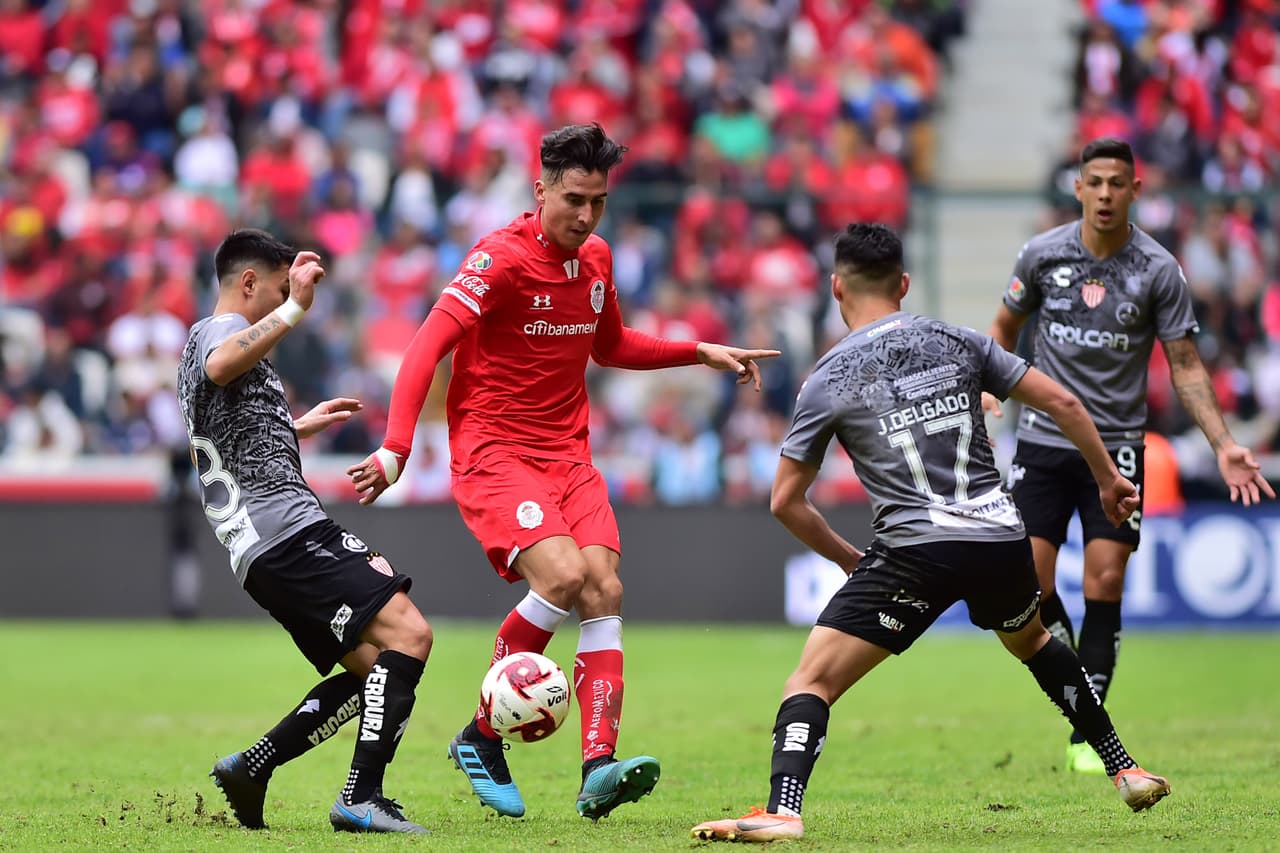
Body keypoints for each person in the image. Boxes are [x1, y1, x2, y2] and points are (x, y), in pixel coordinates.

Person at [346, 123, 780, 821]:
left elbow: (610, 346)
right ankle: (483, 737)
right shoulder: (499, 260)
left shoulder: (598, 258)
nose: (585, 216)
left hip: (568, 455)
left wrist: (697, 350)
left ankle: (596, 767)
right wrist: (396, 447)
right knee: (563, 577)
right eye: (573, 199)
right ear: (540, 186)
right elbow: (427, 345)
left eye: (598, 202)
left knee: (604, 587)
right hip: (495, 452)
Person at [691, 223, 1170, 843]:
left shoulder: (826, 379)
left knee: (810, 682)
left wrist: (848, 560)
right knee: (1031, 642)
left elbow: (786, 502)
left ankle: (783, 809)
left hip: (914, 550)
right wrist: (1107, 477)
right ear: (905, 284)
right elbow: (1067, 406)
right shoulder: (960, 339)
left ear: (836, 288)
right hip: (1002, 539)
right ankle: (1124, 768)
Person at [986, 137, 1274, 773]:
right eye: (1096, 182)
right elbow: (1003, 331)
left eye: (1119, 183)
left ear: (1135, 191)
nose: (1107, 194)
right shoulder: (1042, 255)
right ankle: (1080, 694)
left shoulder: (1158, 270)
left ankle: (1090, 734)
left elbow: (1187, 366)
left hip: (1116, 448)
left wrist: (1224, 444)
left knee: (1104, 579)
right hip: (1042, 439)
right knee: (1027, 585)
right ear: (1080, 188)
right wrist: (990, 383)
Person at [177, 229, 434, 834]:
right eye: (275, 287)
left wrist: (297, 426)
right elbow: (221, 364)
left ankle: (252, 767)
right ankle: (360, 798)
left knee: (376, 672)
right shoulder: (216, 336)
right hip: (287, 533)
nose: (282, 300)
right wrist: (295, 307)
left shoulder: (207, 347)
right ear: (248, 283)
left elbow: (232, 436)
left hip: (261, 548)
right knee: (411, 635)